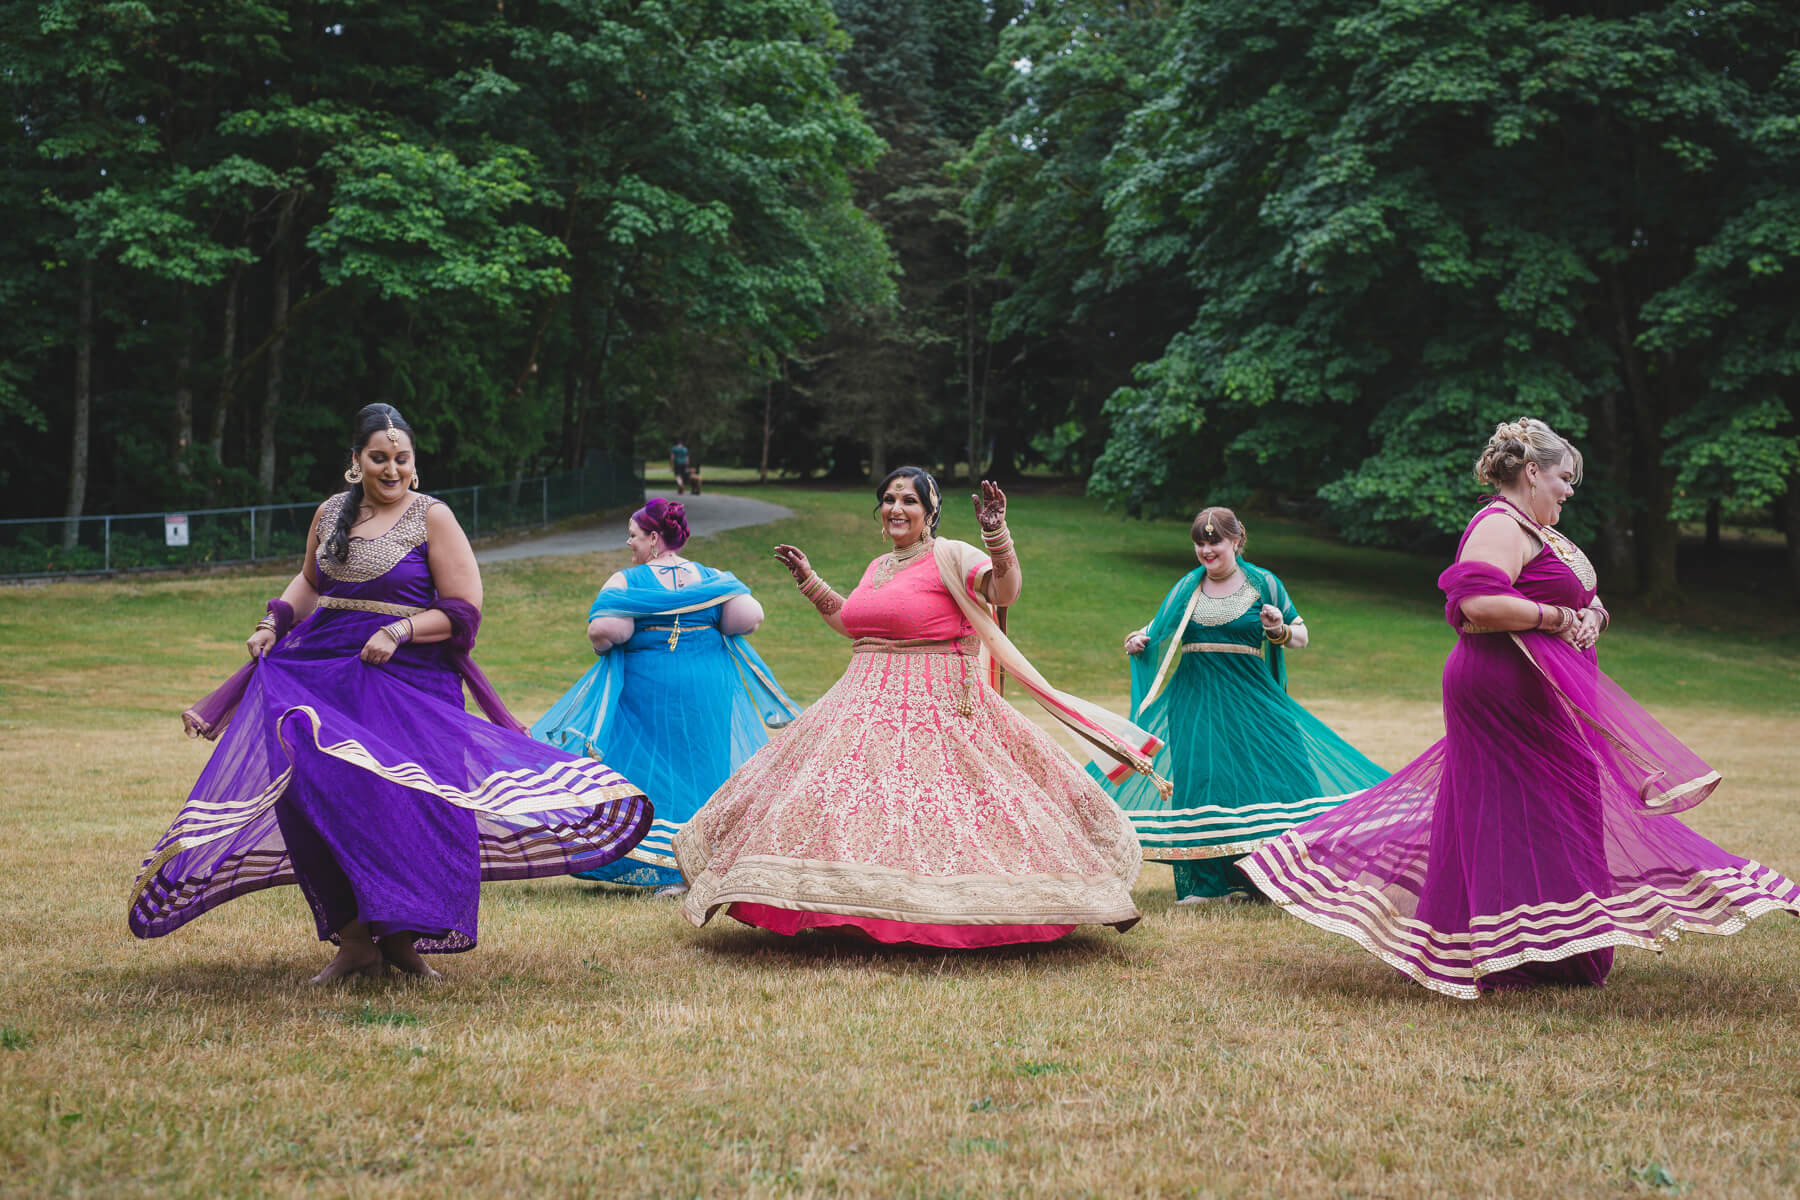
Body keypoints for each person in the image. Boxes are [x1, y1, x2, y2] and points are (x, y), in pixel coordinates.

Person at [1243, 419, 1800, 997]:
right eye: (1564, 478)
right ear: (1531, 472)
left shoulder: (1543, 532)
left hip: (1542, 688)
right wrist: (1559, 619)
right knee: (1513, 808)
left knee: (1563, 801)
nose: (1570, 490)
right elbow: (1480, 603)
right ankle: (1518, 954)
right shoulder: (1499, 525)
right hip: (1500, 688)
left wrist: (1591, 616)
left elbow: (1579, 594)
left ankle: (1554, 943)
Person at [129, 404, 653, 982]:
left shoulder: (433, 517)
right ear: (356, 461)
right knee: (311, 795)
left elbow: (463, 609)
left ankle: (402, 938)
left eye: (402, 458)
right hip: (323, 676)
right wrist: (273, 623)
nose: (392, 469)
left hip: (410, 684)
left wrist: (400, 629)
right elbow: (309, 581)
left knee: (406, 806)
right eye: (379, 457)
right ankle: (354, 941)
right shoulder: (330, 514)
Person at [674, 467, 1165, 948]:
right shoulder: (878, 566)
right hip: (861, 701)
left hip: (934, 704)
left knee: (946, 814)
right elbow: (854, 624)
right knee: (830, 803)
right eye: (889, 499)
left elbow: (1004, 591)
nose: (896, 508)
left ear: (931, 512)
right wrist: (810, 581)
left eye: (910, 500)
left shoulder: (951, 556)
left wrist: (997, 532)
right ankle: (843, 910)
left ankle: (956, 913)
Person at [1094, 507, 1388, 904]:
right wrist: (1137, 641)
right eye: (1200, 542)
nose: (1206, 550)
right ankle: (1208, 885)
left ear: (1236, 540)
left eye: (1214, 541)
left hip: (1252, 697)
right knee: (1202, 779)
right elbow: (1155, 629)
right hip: (1195, 697)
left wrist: (1278, 628)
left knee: (1276, 774)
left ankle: (1273, 877)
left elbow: (1301, 635)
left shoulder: (1264, 584)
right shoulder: (1188, 588)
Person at [532, 497, 799, 895]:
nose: (629, 543)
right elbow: (748, 617)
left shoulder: (627, 581)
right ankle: (699, 857)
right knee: (702, 761)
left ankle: (650, 857)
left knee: (647, 763)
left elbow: (605, 632)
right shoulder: (712, 578)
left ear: (655, 538)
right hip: (707, 685)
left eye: (634, 535)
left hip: (649, 685)